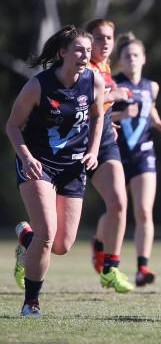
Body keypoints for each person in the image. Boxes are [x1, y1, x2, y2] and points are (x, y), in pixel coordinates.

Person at [7, 25, 104, 317]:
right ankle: (31, 302)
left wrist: (94, 150)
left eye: (88, 50)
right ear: (62, 52)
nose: (84, 55)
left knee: (60, 245)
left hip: (73, 168)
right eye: (78, 49)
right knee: (47, 234)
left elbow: (99, 117)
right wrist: (25, 157)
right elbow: (12, 125)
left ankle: (27, 238)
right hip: (38, 164)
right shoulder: (38, 86)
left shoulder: (94, 81)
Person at [112, 32, 161, 286]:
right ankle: (101, 248)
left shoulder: (152, 86)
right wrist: (121, 114)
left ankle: (142, 268)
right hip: (115, 154)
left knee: (144, 210)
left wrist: (159, 123)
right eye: (127, 56)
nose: (132, 60)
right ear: (121, 60)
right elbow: (98, 115)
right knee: (115, 209)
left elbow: (151, 107)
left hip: (144, 152)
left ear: (144, 58)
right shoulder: (113, 85)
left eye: (136, 55)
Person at [85, 19, 134, 293]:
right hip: (75, 146)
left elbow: (99, 110)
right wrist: (115, 93)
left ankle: (110, 268)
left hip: (104, 143)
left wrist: (109, 120)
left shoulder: (104, 67)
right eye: (99, 37)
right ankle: (27, 239)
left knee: (118, 203)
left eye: (109, 38)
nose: (105, 43)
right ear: (87, 40)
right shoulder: (82, 68)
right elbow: (91, 100)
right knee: (57, 239)